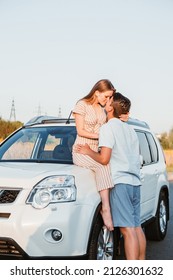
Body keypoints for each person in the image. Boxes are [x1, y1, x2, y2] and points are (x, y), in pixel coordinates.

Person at [76, 92, 146, 260]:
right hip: (135, 183)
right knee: (136, 227)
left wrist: (87, 151)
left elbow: (104, 159)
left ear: (110, 108)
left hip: (121, 183)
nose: (106, 102)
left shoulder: (108, 128)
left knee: (127, 230)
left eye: (109, 101)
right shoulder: (130, 130)